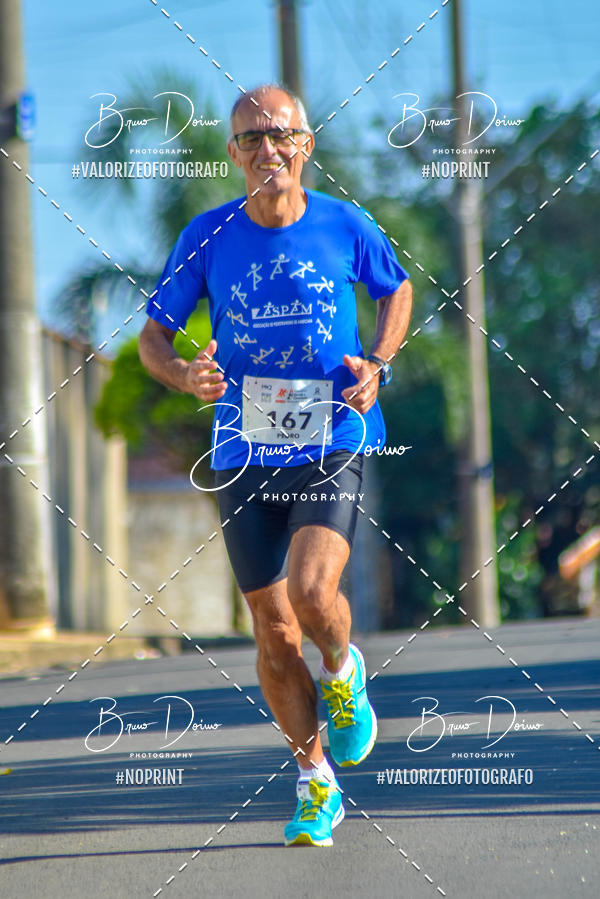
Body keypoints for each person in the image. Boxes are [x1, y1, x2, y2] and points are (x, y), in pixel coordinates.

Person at [139, 83, 412, 847]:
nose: (268, 150)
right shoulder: (207, 234)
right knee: (271, 630)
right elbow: (153, 337)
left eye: (280, 136)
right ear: (233, 154)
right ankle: (314, 780)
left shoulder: (343, 223)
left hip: (332, 432)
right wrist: (185, 375)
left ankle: (342, 666)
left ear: (305, 145)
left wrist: (379, 362)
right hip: (242, 445)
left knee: (313, 591)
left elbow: (396, 291)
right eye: (251, 139)